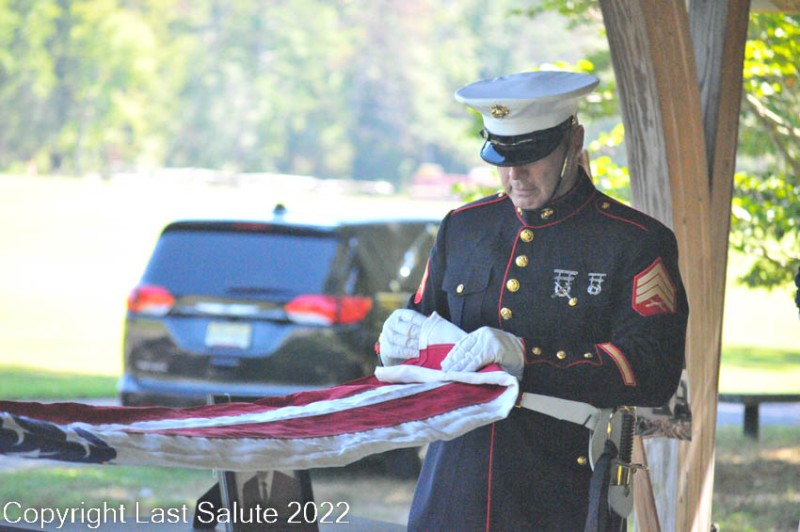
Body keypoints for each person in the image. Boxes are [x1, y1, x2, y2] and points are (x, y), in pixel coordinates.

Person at [378, 71, 689, 530]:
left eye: (531, 157)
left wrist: (528, 357)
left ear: (574, 142)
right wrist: (395, 341)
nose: (514, 175)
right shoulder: (464, 227)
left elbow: (652, 370)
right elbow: (421, 329)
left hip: (560, 491)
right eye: (501, 158)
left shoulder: (634, 241)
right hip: (453, 487)